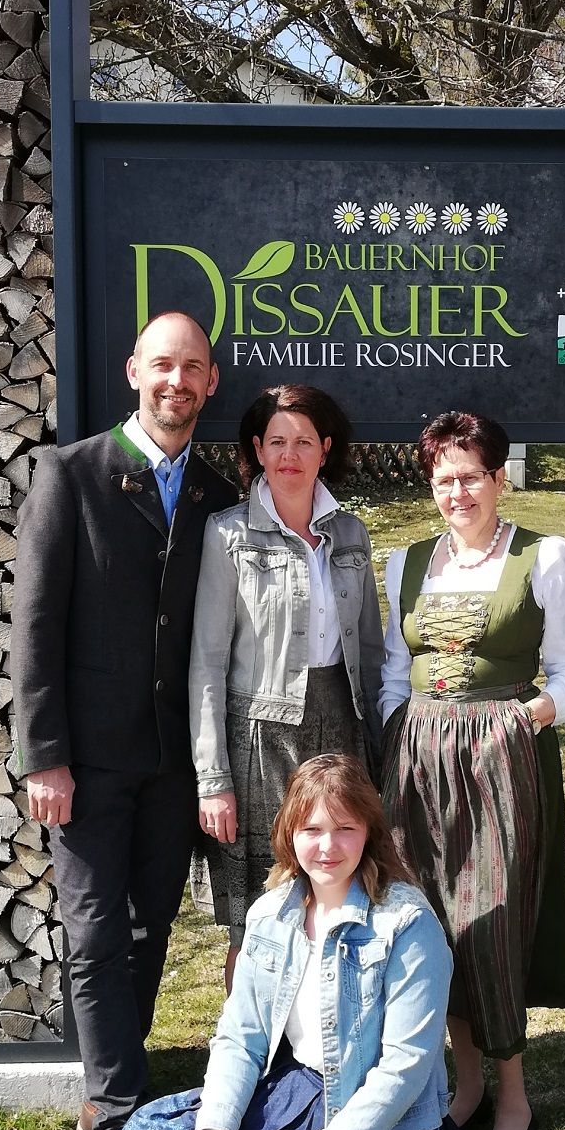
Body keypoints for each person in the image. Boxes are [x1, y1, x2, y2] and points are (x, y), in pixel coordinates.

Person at [10, 310, 237, 1130]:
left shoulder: (221, 495)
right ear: (132, 369)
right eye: (161, 366)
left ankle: (122, 1076)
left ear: (210, 383)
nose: (175, 383)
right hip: (89, 762)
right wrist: (45, 753)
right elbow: (35, 624)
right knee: (97, 928)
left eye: (192, 369)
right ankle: (113, 1122)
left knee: (150, 927)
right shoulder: (70, 474)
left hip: (175, 761)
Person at [86, 755, 460, 1130]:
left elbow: (403, 1070)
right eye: (312, 829)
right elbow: (240, 1037)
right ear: (289, 831)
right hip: (295, 1090)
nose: (327, 847)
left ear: (370, 833)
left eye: (344, 829)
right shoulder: (272, 912)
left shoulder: (406, 923)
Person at [380, 411, 565, 1130]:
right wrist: (400, 731)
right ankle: (463, 1083)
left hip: (501, 755)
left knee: (491, 921)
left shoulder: (547, 557)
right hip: (418, 759)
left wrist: (523, 719)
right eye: (444, 480)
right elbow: (388, 673)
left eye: (471, 476)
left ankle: (514, 1101)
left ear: (500, 478)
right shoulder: (403, 562)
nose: (457, 492)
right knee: (432, 920)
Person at [189, 385, 384, 976]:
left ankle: (323, 1052)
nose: (290, 454)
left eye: (304, 441)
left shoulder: (350, 533)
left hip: (340, 733)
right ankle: (253, 1061)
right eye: (277, 441)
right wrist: (213, 778)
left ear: (325, 449)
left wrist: (379, 748)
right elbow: (206, 660)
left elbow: (370, 650)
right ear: (258, 448)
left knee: (339, 903)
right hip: (258, 741)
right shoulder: (227, 535)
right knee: (256, 919)